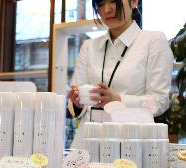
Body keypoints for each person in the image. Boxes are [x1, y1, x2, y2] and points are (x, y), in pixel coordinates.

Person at [68, 0, 174, 148]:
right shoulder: (89, 46)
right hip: (87, 141)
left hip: (131, 141)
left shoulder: (153, 41)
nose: (107, 9)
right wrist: (77, 102)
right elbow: (76, 102)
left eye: (113, 1)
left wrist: (118, 99)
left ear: (134, 2)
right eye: (100, 4)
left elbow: (160, 101)